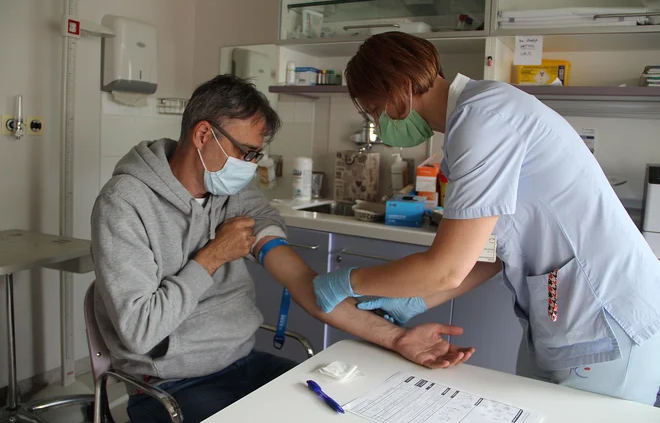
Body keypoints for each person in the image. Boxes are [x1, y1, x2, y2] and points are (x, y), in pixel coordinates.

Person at [91, 74, 475, 423]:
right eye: (245, 152)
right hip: (170, 386)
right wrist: (211, 257)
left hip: (242, 363)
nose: (249, 166)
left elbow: (303, 283)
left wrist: (395, 338)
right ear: (204, 135)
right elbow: (140, 332)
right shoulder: (124, 204)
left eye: (256, 155)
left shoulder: (232, 192)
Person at [312, 32, 660, 406]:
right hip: (571, 315)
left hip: (606, 316)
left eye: (376, 110)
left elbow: (446, 268)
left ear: (401, 87)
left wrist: (347, 282)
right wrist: (415, 300)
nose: (380, 125)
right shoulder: (480, 115)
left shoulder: (483, 119)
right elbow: (489, 252)